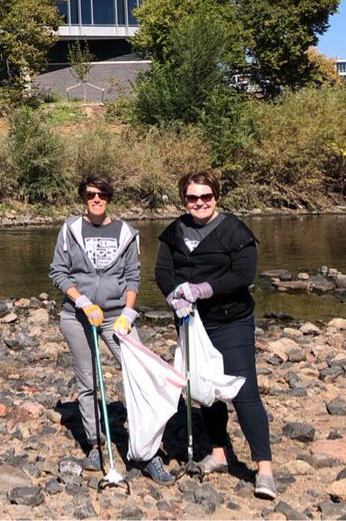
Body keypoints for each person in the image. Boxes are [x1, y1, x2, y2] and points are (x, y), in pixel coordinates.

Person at [156, 169, 275, 500]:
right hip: (192, 322)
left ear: (216, 197)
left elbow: (243, 273)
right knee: (205, 390)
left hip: (232, 321)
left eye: (205, 196)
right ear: (184, 200)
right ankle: (220, 453)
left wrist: (204, 288)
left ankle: (264, 469)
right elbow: (163, 271)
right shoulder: (175, 231)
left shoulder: (234, 229)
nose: (199, 202)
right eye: (192, 197)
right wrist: (175, 293)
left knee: (243, 391)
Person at [49, 175, 174, 484]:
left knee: (140, 376)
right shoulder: (70, 230)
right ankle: (95, 444)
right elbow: (58, 272)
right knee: (89, 381)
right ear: (83, 196)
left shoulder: (127, 233)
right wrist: (83, 303)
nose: (96, 198)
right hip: (78, 316)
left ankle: (148, 451)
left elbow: (133, 275)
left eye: (102, 193)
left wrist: (128, 313)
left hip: (116, 316)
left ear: (109, 197)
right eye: (91, 193)